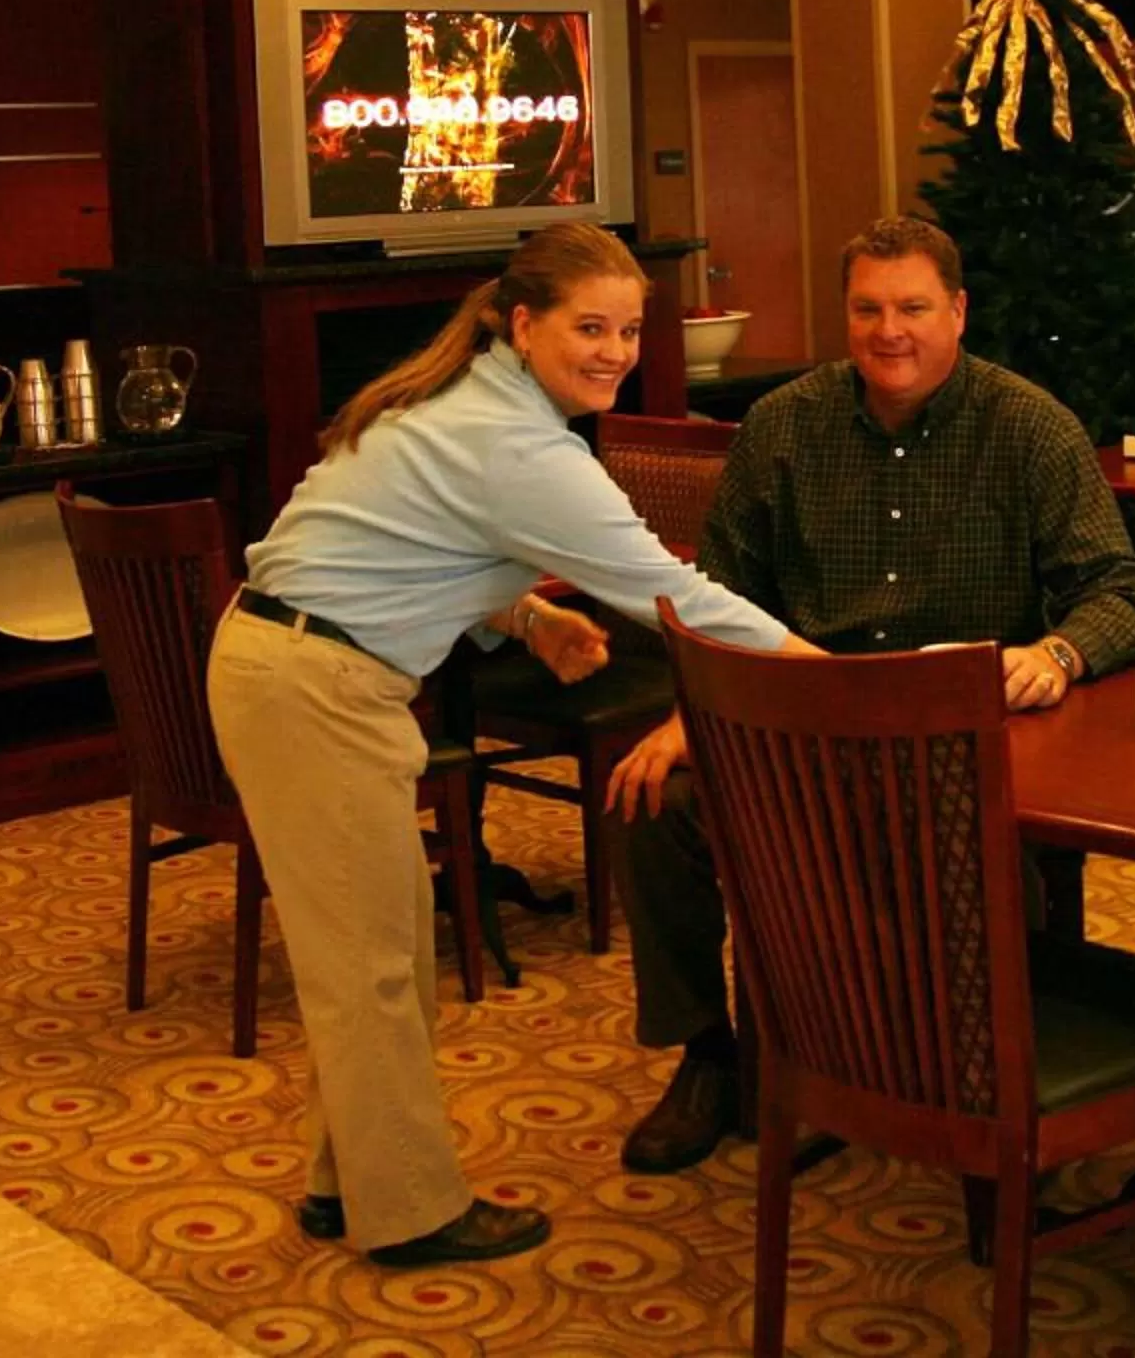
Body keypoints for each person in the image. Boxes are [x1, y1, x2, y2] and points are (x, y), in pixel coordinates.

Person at [210, 222, 817, 1266]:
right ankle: (406, 1211)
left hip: (294, 666)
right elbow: (677, 596)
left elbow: (380, 540)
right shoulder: (516, 444)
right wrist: (828, 672)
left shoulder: (468, 403)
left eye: (629, 328)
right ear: (523, 323)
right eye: (590, 326)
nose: (614, 350)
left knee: (380, 947)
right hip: (315, 689)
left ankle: (341, 1182)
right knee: (373, 968)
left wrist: (525, 618)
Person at [602, 214, 1135, 1174]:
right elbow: (718, 599)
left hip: (967, 737)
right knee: (654, 801)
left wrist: (1059, 655)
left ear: (957, 312)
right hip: (804, 722)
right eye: (867, 309)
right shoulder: (783, 426)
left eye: (911, 307)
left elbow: (1122, 587)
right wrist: (685, 716)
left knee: (980, 857)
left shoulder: (1029, 427)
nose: (888, 331)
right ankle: (714, 1056)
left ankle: (963, 1070)